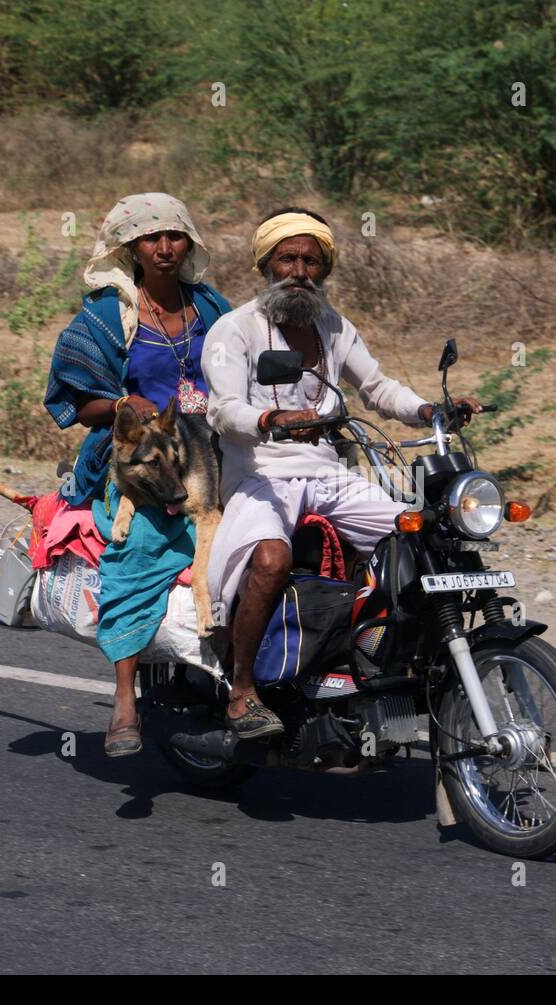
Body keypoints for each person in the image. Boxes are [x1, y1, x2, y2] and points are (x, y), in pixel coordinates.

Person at [203, 207, 478, 739]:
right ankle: (242, 692)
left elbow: (377, 388)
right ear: (266, 263)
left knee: (416, 534)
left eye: (312, 261)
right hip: (260, 474)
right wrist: (272, 419)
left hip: (325, 473)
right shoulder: (233, 330)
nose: (299, 271)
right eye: (288, 258)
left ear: (324, 270)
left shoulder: (333, 327)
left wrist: (428, 411)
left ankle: (374, 659)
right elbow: (223, 411)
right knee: (271, 556)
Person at [44, 193, 230, 756]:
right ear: (130, 249)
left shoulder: (212, 307)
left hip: (215, 451)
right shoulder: (107, 316)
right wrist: (129, 405)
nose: (165, 248)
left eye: (175, 236)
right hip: (138, 459)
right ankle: (124, 696)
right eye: (152, 239)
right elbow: (77, 405)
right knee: (139, 547)